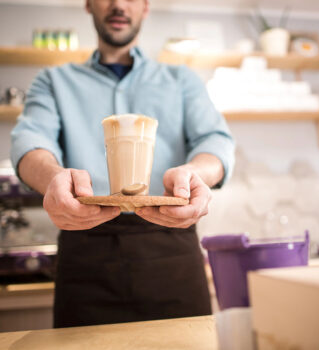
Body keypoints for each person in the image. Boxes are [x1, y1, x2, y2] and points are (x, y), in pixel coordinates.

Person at [11, 0, 235, 328]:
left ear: (145, 6)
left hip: (172, 250)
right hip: (85, 252)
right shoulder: (53, 81)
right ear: (88, 4)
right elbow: (30, 142)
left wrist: (195, 173)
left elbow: (216, 142)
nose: (118, 5)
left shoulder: (181, 79)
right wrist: (54, 178)